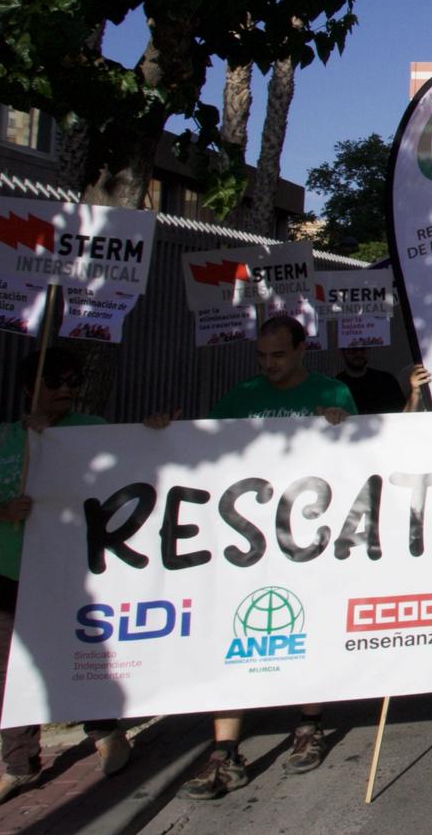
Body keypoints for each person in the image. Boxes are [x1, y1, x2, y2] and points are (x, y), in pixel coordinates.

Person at [162, 315, 357, 799]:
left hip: (310, 537)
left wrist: (343, 426)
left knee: (307, 625)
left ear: (301, 350)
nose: (269, 365)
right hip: (248, 540)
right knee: (235, 633)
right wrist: (162, 432)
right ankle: (224, 754)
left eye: (279, 355)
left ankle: (309, 726)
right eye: (262, 357)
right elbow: (204, 448)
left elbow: (357, 458)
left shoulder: (333, 394)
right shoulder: (242, 396)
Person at [0, 349, 129, 813]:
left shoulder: (92, 429)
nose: (65, 388)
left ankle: (106, 732)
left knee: (79, 652)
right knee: (5, 672)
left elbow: (137, 465)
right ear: (29, 386)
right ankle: (18, 765)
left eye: (71, 379)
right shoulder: (3, 437)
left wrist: (156, 429)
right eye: (54, 380)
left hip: (62, 570)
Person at [334, 341, 405, 414]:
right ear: (343, 353)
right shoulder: (335, 385)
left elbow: (402, 414)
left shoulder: (386, 380)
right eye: (353, 350)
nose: (359, 354)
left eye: (363, 349)